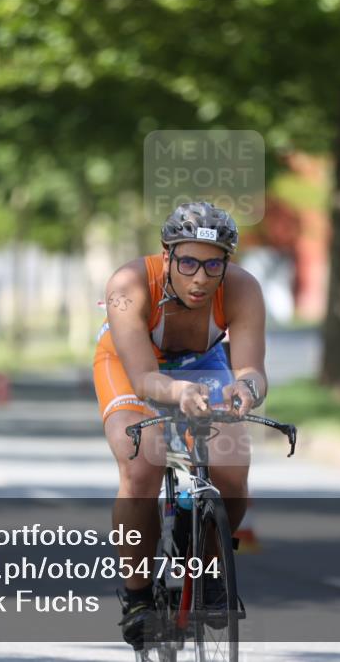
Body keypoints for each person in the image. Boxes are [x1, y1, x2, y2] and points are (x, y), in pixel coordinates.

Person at [92, 201, 267, 651]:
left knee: (232, 471)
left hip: (201, 363)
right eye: (188, 262)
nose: (201, 278)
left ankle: (207, 568)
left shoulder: (244, 289)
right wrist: (177, 394)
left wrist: (244, 392)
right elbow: (147, 379)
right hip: (133, 364)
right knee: (142, 462)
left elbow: (251, 370)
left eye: (213, 265)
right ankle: (136, 597)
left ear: (227, 262)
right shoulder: (127, 285)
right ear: (166, 255)